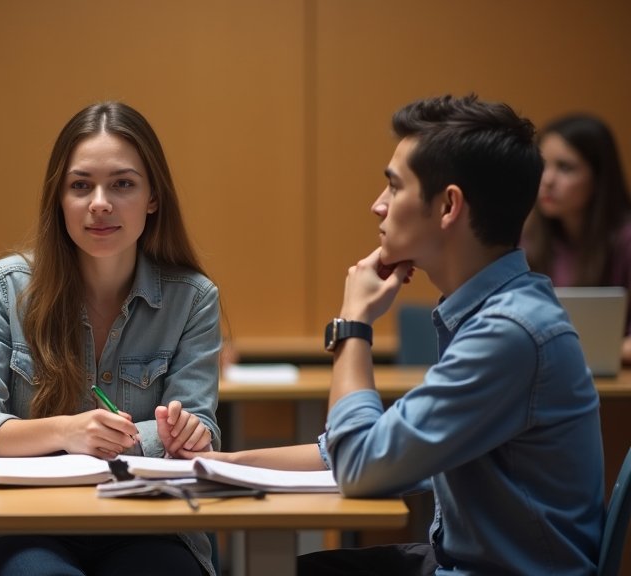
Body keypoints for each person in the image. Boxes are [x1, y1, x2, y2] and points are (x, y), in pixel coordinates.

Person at [180, 95, 605, 574]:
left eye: (394, 187)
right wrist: (225, 463)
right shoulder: (492, 313)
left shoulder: (510, 333)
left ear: (448, 206)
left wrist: (353, 326)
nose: (377, 205)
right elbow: (366, 447)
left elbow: (361, 464)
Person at [0, 101, 221, 576]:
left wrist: (188, 435)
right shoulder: (6, 288)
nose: (100, 203)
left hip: (148, 523)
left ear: (153, 197)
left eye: (123, 184)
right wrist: (67, 432)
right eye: (80, 185)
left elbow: (200, 434)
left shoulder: (192, 299)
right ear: (59, 198)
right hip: (21, 524)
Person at [522, 113, 631, 364]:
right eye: (542, 166)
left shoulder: (625, 239)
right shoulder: (527, 237)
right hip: (548, 377)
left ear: (599, 177)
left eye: (565, 167)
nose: (547, 180)